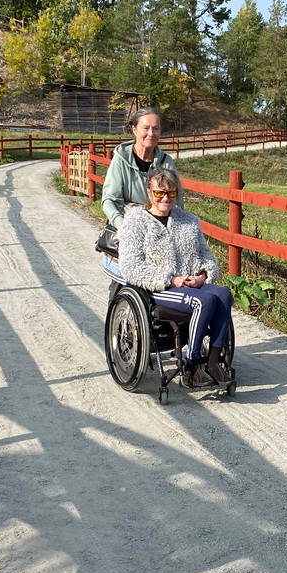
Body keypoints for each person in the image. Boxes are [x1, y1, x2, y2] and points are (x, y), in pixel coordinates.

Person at [119, 170, 234, 384]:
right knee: (205, 300)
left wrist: (203, 275)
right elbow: (130, 266)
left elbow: (206, 255)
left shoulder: (188, 221)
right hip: (158, 289)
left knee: (224, 294)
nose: (165, 198)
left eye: (171, 193)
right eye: (159, 193)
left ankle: (213, 363)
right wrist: (170, 280)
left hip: (190, 285)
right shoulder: (135, 222)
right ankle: (191, 364)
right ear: (149, 192)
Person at [101, 107, 181, 229]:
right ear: (134, 129)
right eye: (145, 128)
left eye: (156, 129)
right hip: (127, 227)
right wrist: (123, 227)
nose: (151, 134)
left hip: (159, 229)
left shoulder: (166, 162)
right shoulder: (121, 159)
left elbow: (176, 202)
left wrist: (132, 206)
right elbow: (110, 200)